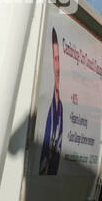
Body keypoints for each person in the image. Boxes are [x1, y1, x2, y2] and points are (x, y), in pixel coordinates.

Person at [39, 29, 64, 175]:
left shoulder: (60, 109)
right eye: (55, 59)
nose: (58, 66)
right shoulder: (47, 111)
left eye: (58, 58)